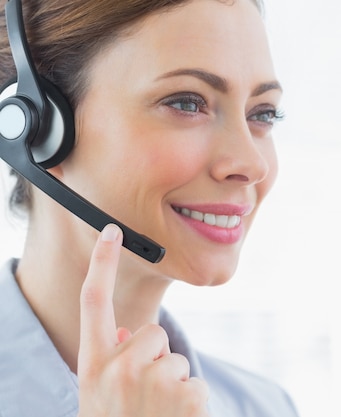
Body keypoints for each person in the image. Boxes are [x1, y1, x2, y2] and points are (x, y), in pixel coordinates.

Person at [0, 0, 299, 416]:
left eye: (263, 114)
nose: (252, 164)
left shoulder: (265, 406)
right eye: (187, 103)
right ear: (40, 127)